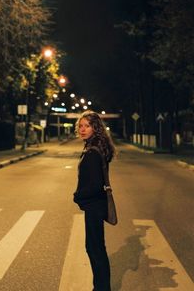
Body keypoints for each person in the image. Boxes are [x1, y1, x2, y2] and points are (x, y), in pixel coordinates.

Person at [73, 110, 115, 291]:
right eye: (80, 126)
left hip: (94, 205)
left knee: (95, 248)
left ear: (95, 128)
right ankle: (101, 287)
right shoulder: (97, 147)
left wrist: (78, 197)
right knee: (96, 247)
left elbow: (94, 184)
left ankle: (102, 288)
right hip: (96, 205)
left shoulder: (92, 152)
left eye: (87, 126)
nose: (82, 129)